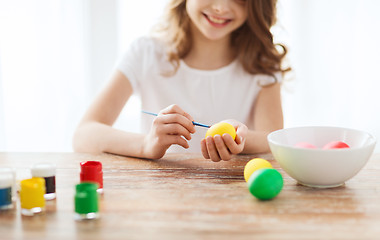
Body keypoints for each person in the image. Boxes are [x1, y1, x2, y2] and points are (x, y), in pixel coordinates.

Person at [73, 0, 290, 162]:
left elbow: (272, 140)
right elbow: (84, 135)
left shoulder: (262, 65)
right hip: (160, 202)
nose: (221, 8)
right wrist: (147, 144)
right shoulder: (146, 54)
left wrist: (239, 139)